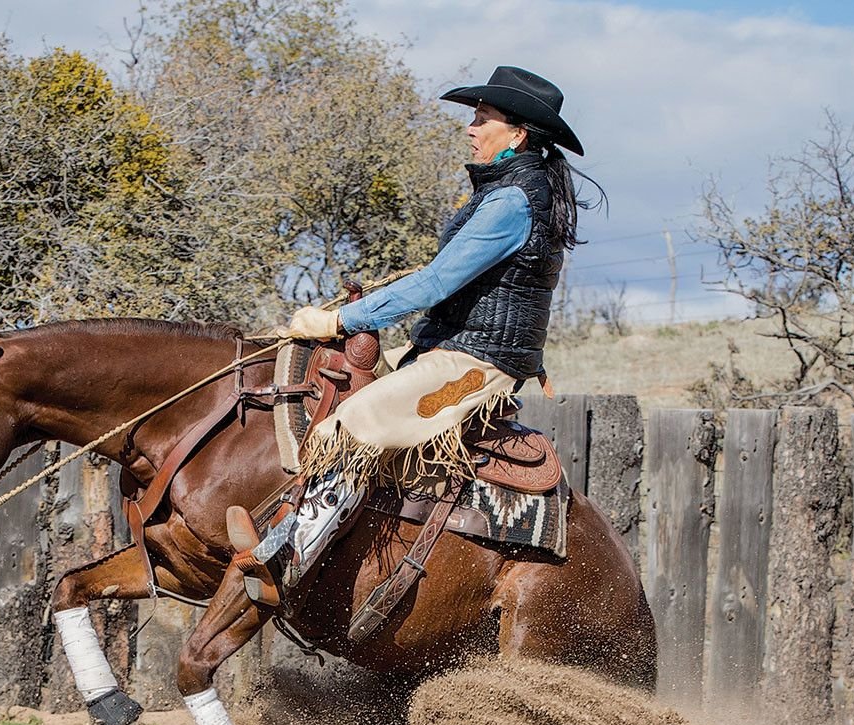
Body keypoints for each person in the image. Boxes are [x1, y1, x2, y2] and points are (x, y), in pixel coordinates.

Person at [227, 65, 597, 605]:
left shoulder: (513, 201)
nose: (470, 127)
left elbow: (436, 281)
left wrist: (341, 321)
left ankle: (286, 558)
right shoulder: (510, 191)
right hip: (453, 348)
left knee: (351, 425)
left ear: (517, 133)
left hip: (478, 361)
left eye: (482, 117)